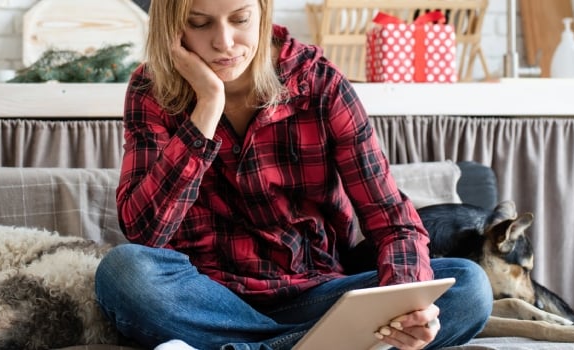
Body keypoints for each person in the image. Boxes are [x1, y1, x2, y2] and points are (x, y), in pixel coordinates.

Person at [94, 0, 492, 349]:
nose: (225, 42)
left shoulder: (320, 84)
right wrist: (207, 107)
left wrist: (407, 305)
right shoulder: (151, 89)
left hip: (318, 294)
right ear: (172, 26)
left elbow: (391, 219)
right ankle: (326, 347)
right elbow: (146, 233)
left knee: (469, 287)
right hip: (206, 297)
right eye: (200, 23)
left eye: (240, 19)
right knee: (124, 273)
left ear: (263, 12)